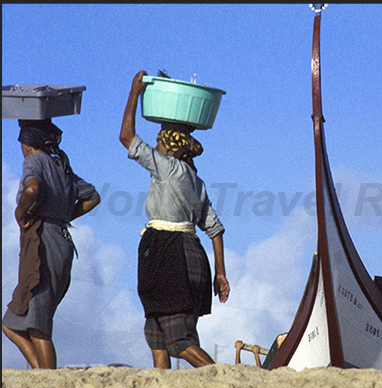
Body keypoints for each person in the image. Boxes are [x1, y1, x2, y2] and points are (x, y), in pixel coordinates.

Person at [119, 70, 230, 369]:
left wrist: (134, 93)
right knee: (157, 339)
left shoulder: (167, 168)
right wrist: (220, 275)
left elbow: (126, 137)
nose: (155, 146)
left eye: (159, 141)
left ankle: (220, 379)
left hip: (171, 256)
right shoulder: (196, 179)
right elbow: (215, 229)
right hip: (185, 255)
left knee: (179, 341)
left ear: (170, 146)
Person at [2, 118, 101, 369]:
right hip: (61, 241)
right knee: (12, 322)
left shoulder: (34, 160)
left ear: (27, 144)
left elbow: (32, 189)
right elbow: (93, 197)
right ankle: (42, 373)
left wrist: (20, 212)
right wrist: (65, 215)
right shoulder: (61, 166)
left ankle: (48, 378)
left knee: (38, 323)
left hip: (42, 242)